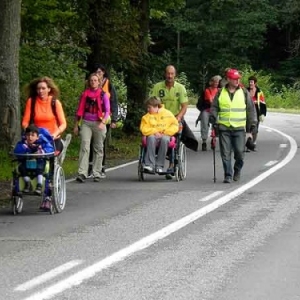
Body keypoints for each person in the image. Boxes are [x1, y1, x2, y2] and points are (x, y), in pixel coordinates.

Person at [210, 68, 257, 183]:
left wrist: (250, 129)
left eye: (238, 79)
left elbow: (251, 110)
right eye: (235, 79)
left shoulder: (244, 92)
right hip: (224, 128)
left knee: (240, 154)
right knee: (225, 153)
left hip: (239, 129)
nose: (237, 81)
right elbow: (215, 108)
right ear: (228, 79)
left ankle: (237, 170)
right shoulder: (221, 92)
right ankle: (228, 175)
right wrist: (213, 120)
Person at [74, 73, 110, 183]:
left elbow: (107, 111)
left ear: (99, 82)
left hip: (99, 122)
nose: (93, 82)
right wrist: (76, 125)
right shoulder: (85, 94)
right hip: (86, 122)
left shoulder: (103, 95)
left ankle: (97, 172)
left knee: (98, 148)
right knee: (85, 145)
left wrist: (103, 122)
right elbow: (80, 110)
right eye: (91, 80)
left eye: (95, 80)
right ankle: (82, 173)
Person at [87, 63, 119, 178]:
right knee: (90, 143)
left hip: (105, 117)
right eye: (96, 72)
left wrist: (114, 119)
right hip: (91, 117)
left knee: (100, 143)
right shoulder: (91, 84)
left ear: (104, 73)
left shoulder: (108, 84)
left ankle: (101, 166)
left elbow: (114, 101)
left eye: (100, 72)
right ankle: (91, 166)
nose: (98, 75)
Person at [22, 76, 67, 154]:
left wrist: (54, 135)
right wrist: (30, 134)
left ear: (49, 89)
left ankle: (53, 165)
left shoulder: (55, 102)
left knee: (49, 157)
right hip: (36, 138)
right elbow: (25, 123)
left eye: (43, 88)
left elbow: (63, 124)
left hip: (53, 138)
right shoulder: (31, 101)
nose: (40, 91)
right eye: (38, 89)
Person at [140, 97, 179, 173]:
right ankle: (150, 165)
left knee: (165, 139)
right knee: (151, 137)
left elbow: (175, 125)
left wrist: (165, 132)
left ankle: (159, 165)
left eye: (149, 107)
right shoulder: (146, 117)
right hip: (152, 136)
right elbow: (143, 129)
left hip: (166, 135)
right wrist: (154, 131)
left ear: (156, 106)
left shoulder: (168, 114)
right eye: (147, 107)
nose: (148, 110)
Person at [14, 124, 55, 195]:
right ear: (25, 136)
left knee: (40, 167)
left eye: (32, 135)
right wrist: (25, 148)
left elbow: (50, 149)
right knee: (21, 168)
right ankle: (27, 183)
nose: (30, 137)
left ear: (37, 137)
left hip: (39, 161)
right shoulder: (23, 143)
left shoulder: (43, 142)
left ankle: (39, 185)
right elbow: (17, 150)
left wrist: (42, 151)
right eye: (28, 135)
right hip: (26, 162)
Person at [198, 75, 222, 151]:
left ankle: (214, 138)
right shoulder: (207, 90)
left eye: (217, 82)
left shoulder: (220, 90)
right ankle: (204, 141)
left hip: (216, 110)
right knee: (204, 124)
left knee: (217, 124)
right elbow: (211, 101)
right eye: (215, 82)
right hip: (207, 110)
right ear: (212, 82)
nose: (216, 83)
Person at [247, 75, 267, 149]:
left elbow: (263, 103)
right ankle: (248, 144)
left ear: (255, 83)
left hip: (256, 111)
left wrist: (263, 114)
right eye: (249, 82)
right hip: (247, 112)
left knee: (255, 129)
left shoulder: (259, 92)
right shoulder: (246, 90)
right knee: (248, 129)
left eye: (252, 82)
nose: (250, 83)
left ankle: (254, 142)